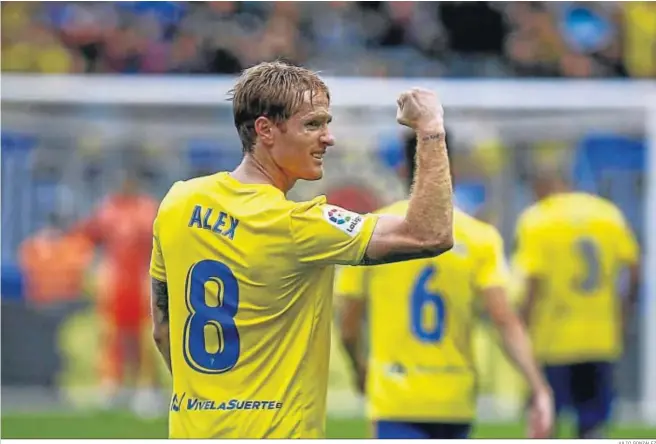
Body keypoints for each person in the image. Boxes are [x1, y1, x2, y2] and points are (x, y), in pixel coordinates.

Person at [149, 61, 454, 439]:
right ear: (265, 130)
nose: (328, 138)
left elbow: (163, 330)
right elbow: (431, 233)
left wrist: (213, 402)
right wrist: (430, 130)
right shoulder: (298, 224)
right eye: (313, 124)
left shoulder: (178, 202)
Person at [335, 130, 553, 440]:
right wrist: (538, 387)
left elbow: (348, 325)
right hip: (455, 396)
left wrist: (359, 369)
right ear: (450, 171)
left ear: (402, 171)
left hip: (395, 396)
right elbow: (504, 320)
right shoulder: (479, 237)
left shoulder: (375, 231)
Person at [513, 166, 641, 438]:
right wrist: (624, 312)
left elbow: (533, 281)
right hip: (601, 336)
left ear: (540, 188)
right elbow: (633, 268)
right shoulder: (608, 214)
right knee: (593, 423)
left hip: (553, 337)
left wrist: (522, 326)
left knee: (546, 417)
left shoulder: (538, 219)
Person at [75, 171, 160, 415]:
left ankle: (146, 389)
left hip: (142, 281)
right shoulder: (107, 209)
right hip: (115, 283)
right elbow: (88, 238)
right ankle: (111, 385)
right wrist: (94, 270)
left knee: (146, 338)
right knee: (112, 337)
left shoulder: (149, 208)